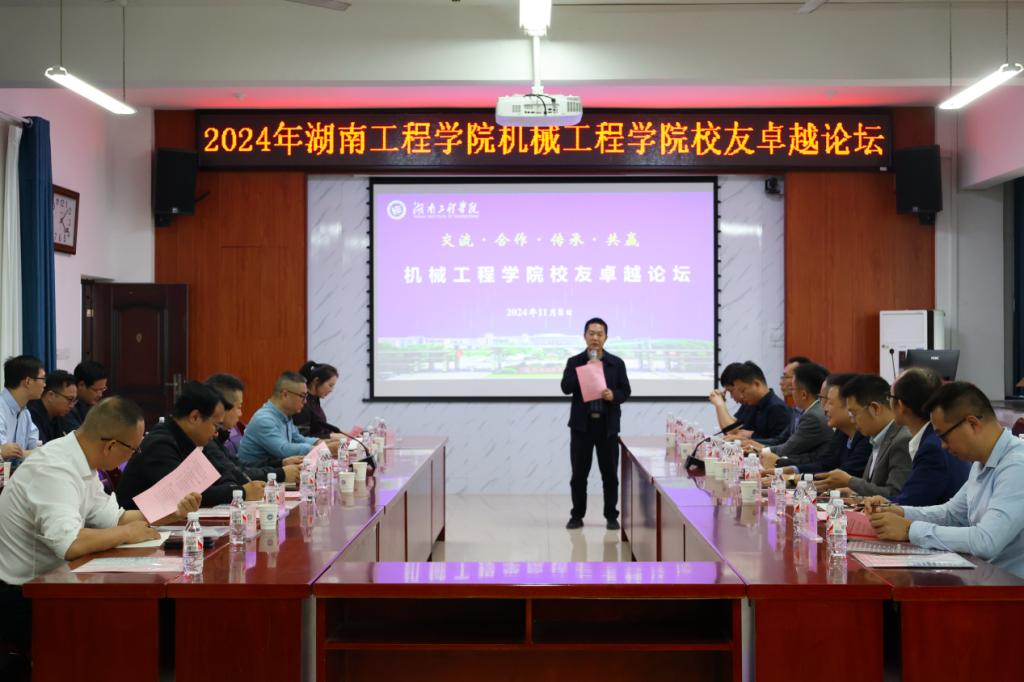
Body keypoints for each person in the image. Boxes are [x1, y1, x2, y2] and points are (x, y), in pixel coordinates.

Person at [0, 397, 200, 657]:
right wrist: (126, 534)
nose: (134, 456)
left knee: (154, 616)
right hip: (24, 595)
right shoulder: (53, 469)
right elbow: (70, 544)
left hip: (57, 581)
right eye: (134, 449)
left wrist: (173, 513)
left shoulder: (82, 461)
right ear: (111, 446)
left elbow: (116, 518)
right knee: (133, 623)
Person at [866, 382, 1024, 578]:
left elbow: (986, 541)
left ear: (972, 423)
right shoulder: (982, 462)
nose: (943, 446)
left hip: (1011, 588)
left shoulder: (1017, 466)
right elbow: (951, 514)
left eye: (944, 436)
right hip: (983, 578)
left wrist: (909, 530)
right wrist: (898, 511)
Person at [117, 381, 265, 509]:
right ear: (194, 417)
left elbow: (222, 473)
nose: (216, 434)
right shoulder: (160, 444)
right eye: (215, 425)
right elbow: (188, 496)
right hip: (139, 527)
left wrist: (234, 489)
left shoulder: (191, 439)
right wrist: (241, 492)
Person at [560, 317, 631, 530]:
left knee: (609, 475)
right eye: (591, 333)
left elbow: (625, 391)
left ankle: (611, 516)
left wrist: (613, 395)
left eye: (599, 334)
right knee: (579, 475)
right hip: (582, 427)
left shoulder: (616, 363)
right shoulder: (575, 362)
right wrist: (585, 370)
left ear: (606, 338)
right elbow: (565, 387)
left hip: (607, 427)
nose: (595, 338)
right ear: (584, 336)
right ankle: (576, 515)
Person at [815, 374, 911, 497]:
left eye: (854, 414)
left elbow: (895, 494)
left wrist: (850, 481)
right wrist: (854, 493)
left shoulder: (902, 440)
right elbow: (874, 486)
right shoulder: (877, 437)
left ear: (875, 409)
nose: (852, 420)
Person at [888, 367, 971, 506]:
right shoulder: (934, 437)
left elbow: (911, 503)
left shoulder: (932, 449)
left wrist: (869, 503)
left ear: (901, 405)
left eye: (890, 397)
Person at [204, 373, 301, 486]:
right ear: (221, 408)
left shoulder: (217, 437)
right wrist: (281, 473)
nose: (240, 414)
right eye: (239, 407)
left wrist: (281, 464)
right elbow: (237, 475)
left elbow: (239, 466)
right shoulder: (206, 441)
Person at [238, 372, 338, 468]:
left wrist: (321, 442)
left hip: (273, 471)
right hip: (255, 475)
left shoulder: (285, 416)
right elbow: (283, 449)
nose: (305, 401)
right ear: (285, 394)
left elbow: (298, 439)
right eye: (302, 396)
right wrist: (325, 449)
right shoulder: (264, 420)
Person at [782, 373, 872, 476]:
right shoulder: (841, 433)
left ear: (849, 405)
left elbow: (843, 476)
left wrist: (794, 478)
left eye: (830, 403)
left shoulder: (867, 439)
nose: (825, 408)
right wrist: (792, 470)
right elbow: (825, 464)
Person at [758, 362, 832, 470]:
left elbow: (788, 449)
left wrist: (762, 451)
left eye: (793, 389)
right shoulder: (808, 411)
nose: (791, 393)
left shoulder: (813, 417)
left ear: (803, 394)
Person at [722, 362, 791, 444]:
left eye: (743, 391)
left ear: (756, 384)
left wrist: (750, 437)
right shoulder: (751, 404)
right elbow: (736, 431)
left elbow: (780, 444)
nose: (741, 396)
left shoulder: (777, 408)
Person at [0, 356, 44, 469]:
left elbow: (35, 448)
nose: (44, 384)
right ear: (28, 381)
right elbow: (5, 452)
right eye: (42, 379)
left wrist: (24, 453)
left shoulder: (25, 413)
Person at [27, 370, 77, 444]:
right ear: (51, 395)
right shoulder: (31, 415)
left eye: (74, 400)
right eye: (70, 399)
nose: (72, 406)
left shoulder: (60, 415)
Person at [293, 361, 341, 439]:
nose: (331, 390)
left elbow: (321, 429)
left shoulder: (315, 399)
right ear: (316, 381)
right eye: (330, 385)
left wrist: (344, 435)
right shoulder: (302, 403)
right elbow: (302, 438)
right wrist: (330, 436)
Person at [708, 362, 752, 437]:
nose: (731, 396)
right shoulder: (747, 404)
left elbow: (731, 432)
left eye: (731, 391)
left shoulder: (758, 403)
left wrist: (720, 404)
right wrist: (721, 403)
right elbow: (729, 428)